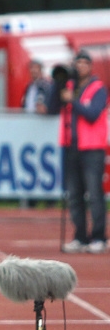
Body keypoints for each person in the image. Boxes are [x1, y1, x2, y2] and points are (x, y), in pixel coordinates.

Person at [59, 50, 108, 254]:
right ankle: (80, 236)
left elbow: (92, 114)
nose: (80, 67)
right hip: (71, 147)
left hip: (92, 149)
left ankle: (98, 237)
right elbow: (55, 106)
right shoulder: (68, 87)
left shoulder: (99, 89)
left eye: (84, 63)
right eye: (77, 63)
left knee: (95, 194)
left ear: (90, 66)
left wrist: (74, 101)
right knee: (75, 195)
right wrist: (58, 85)